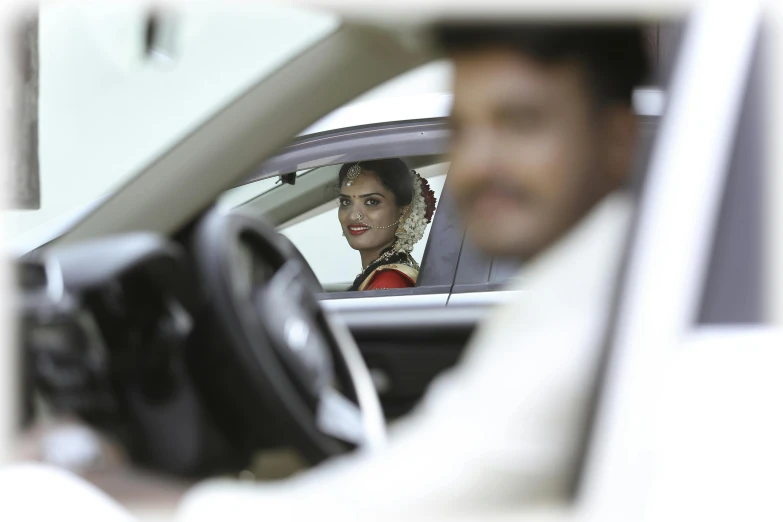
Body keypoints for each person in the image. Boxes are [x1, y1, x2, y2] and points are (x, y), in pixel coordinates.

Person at [0, 21, 651, 520]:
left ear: (620, 137)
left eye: (521, 123)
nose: (478, 163)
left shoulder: (605, 298)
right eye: (463, 128)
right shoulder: (585, 277)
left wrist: (95, 488)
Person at [337, 159, 437, 291]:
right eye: (345, 202)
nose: (353, 216)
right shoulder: (387, 275)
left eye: (372, 202)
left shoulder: (388, 283)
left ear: (404, 210)